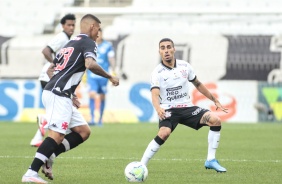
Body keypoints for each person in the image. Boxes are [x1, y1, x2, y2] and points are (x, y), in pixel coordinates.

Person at [22, 14, 119, 183]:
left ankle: (50, 156)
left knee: (83, 131)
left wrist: (70, 92)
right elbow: (90, 64)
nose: (98, 33)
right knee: (57, 135)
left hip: (59, 93)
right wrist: (110, 76)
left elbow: (51, 70)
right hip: (58, 95)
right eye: (98, 28)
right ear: (91, 27)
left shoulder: (69, 44)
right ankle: (31, 172)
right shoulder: (89, 42)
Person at [140, 38, 228, 173]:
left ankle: (211, 160)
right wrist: (158, 108)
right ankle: (141, 165)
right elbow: (154, 94)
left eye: (169, 47)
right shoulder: (157, 73)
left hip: (187, 107)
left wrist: (214, 99)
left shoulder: (185, 66)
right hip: (169, 109)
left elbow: (197, 84)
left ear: (174, 49)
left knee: (215, 120)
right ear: (159, 52)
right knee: (164, 133)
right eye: (162, 48)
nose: (166, 50)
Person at [30, 13, 76, 147]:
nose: (71, 27)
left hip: (51, 78)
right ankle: (45, 122)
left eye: (73, 25)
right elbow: (45, 51)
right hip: (50, 77)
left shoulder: (67, 39)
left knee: (53, 110)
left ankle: (37, 138)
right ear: (62, 25)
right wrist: (56, 66)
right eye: (69, 25)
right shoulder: (61, 38)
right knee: (59, 109)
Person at [87, 28, 116, 126]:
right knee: (92, 94)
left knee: (102, 96)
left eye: (100, 33)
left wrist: (114, 71)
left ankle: (100, 119)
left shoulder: (108, 46)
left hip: (103, 75)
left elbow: (111, 58)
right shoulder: (90, 45)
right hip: (92, 75)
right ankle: (92, 118)